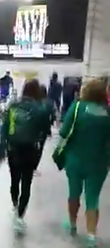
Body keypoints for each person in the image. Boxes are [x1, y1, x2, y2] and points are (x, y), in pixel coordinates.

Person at [59, 79, 110, 247]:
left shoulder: (77, 108)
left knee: (74, 193)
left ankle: (72, 224)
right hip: (98, 163)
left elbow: (64, 131)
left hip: (75, 159)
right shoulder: (107, 112)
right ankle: (91, 235)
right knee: (93, 198)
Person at [0, 79, 48, 233]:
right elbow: (43, 131)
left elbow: (4, 127)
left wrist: (2, 146)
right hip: (29, 150)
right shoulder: (40, 109)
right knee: (26, 182)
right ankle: (20, 216)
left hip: (13, 148)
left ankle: (14, 204)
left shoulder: (13, 106)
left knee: (14, 179)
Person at [34, 84, 55, 175]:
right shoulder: (49, 103)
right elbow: (52, 116)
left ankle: (29, 165)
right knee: (40, 149)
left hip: (34, 128)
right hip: (44, 129)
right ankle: (34, 167)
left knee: (32, 147)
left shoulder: (35, 102)